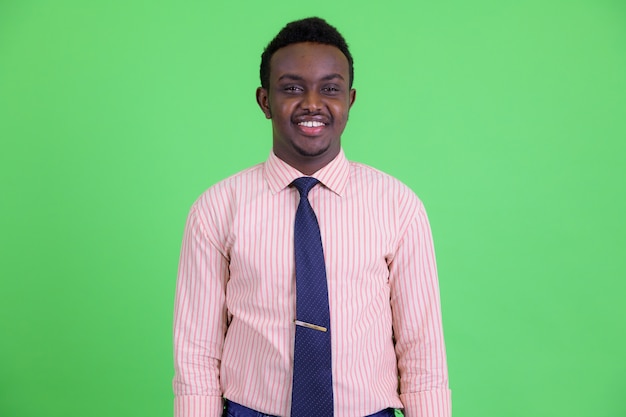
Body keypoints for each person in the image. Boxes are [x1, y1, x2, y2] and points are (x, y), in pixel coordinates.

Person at [173, 17, 451, 417]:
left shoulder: (398, 205)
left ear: (350, 101)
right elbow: (196, 352)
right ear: (265, 101)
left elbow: (422, 348)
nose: (312, 103)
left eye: (330, 89)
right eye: (291, 88)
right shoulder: (216, 209)